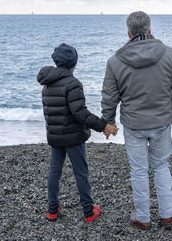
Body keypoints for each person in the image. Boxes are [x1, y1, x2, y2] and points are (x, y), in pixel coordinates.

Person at [101, 11, 172, 230]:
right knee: (161, 166)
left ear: (128, 32)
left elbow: (109, 96)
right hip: (161, 122)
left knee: (139, 171)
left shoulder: (115, 61)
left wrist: (108, 122)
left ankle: (143, 218)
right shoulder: (169, 54)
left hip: (134, 125)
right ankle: (167, 215)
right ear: (150, 30)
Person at [37, 43, 116, 222]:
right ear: (74, 64)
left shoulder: (47, 83)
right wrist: (103, 125)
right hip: (73, 137)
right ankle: (88, 211)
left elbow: (50, 111)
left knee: (54, 172)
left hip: (55, 135)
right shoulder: (73, 83)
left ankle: (52, 210)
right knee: (81, 173)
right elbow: (80, 113)